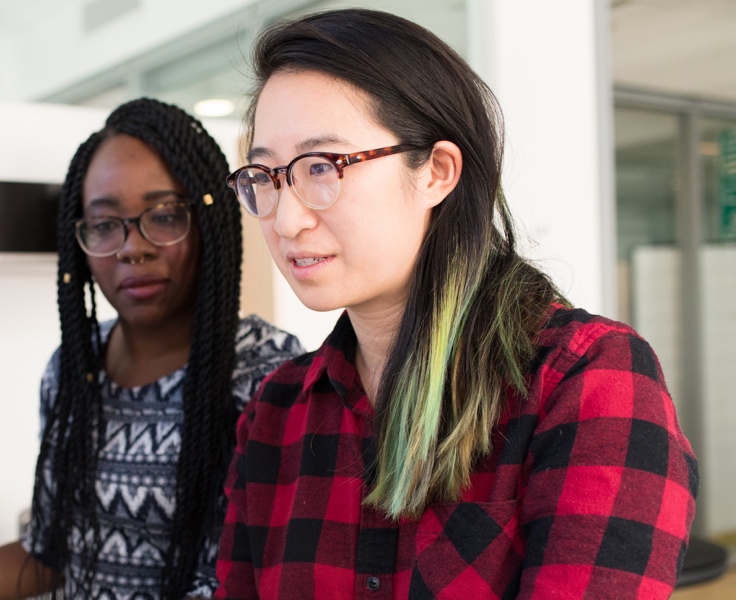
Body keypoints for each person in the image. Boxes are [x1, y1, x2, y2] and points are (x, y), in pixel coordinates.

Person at [215, 9, 697, 599]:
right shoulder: (277, 411)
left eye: (323, 167)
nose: (287, 219)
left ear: (437, 172)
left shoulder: (584, 380)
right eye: (266, 176)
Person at [0, 98, 303, 599]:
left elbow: (270, 583)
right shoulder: (72, 370)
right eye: (104, 225)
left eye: (164, 216)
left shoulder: (267, 376)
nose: (132, 247)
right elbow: (54, 557)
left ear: (208, 222)